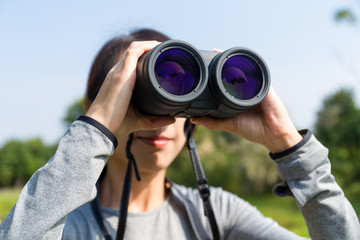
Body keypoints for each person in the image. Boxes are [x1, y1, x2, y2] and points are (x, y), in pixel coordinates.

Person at [0, 29, 359, 240]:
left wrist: (287, 143)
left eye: (177, 90)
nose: (161, 120)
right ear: (97, 106)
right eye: (141, 96)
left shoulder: (216, 213)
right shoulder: (62, 224)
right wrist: (94, 132)